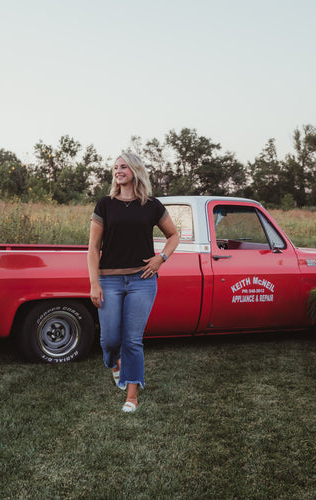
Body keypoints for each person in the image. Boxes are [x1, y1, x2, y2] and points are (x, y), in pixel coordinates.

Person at [87, 152, 179, 413]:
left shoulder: (151, 205)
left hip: (142, 279)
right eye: (115, 167)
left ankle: (132, 396)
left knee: (132, 340)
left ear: (135, 170)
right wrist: (94, 283)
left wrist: (160, 258)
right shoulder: (105, 205)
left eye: (123, 166)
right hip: (109, 280)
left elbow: (173, 235)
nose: (118, 170)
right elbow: (93, 248)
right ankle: (115, 364)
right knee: (109, 341)